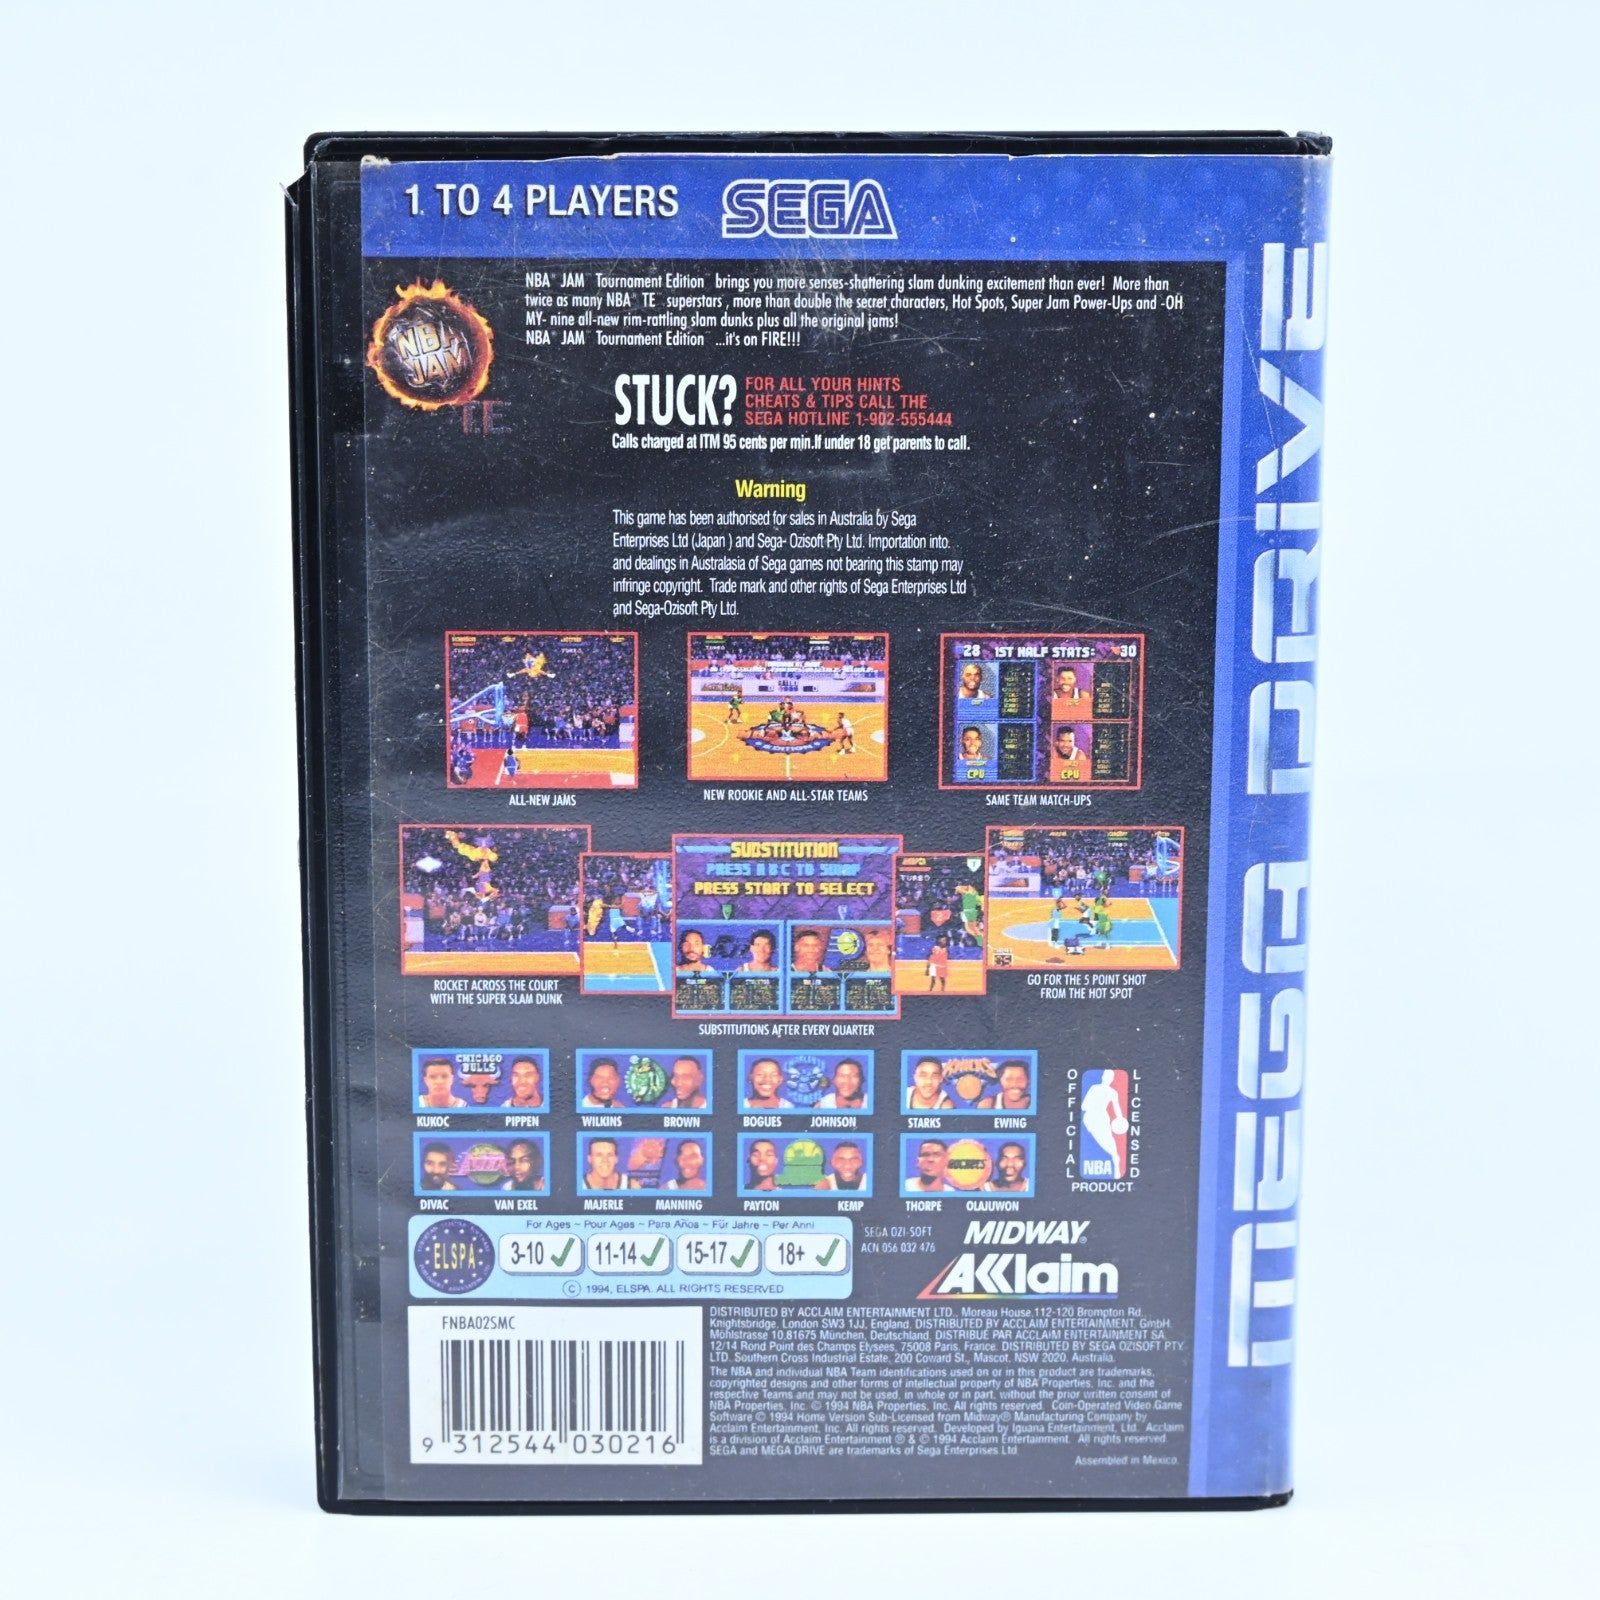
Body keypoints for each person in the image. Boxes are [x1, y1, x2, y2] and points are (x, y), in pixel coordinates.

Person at [1081, 1071, 1130, 1178]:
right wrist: (1120, 1119)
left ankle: (1115, 1161)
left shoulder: (1098, 1089)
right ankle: (1115, 1160)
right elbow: (1117, 1111)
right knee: (1106, 1141)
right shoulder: (1108, 1091)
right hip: (1097, 1118)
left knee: (1107, 1141)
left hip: (1096, 1118)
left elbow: (1084, 1106)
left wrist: (1120, 1120)